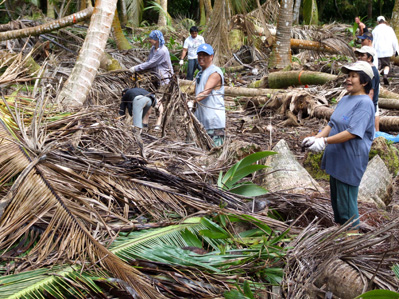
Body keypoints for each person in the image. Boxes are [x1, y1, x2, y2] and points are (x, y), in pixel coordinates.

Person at [302, 61, 375, 230]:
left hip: (350, 161)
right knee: (338, 205)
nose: (348, 79)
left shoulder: (364, 104)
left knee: (348, 207)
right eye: (348, 76)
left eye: (353, 76)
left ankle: (352, 243)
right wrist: (316, 138)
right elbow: (333, 124)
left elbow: (352, 132)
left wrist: (325, 142)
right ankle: (342, 236)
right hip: (337, 159)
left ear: (364, 82)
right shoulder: (345, 99)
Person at [129, 30, 174, 130]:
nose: (149, 40)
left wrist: (136, 68)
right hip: (154, 77)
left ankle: (158, 122)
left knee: (158, 100)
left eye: (151, 38)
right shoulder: (153, 49)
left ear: (157, 40)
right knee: (149, 98)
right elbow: (148, 61)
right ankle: (145, 121)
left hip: (164, 79)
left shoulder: (163, 51)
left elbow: (151, 63)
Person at [191, 43, 225, 146]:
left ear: (211, 57)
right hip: (201, 120)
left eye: (205, 55)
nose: (201, 57)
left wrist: (191, 101)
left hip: (213, 121)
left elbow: (205, 92)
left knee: (214, 153)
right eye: (199, 54)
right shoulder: (199, 73)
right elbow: (196, 92)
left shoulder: (215, 72)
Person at [355, 46, 380, 131]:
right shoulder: (369, 69)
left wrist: (365, 109)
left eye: (362, 55)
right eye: (359, 55)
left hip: (368, 108)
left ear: (369, 58)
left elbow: (371, 92)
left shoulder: (371, 71)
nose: (359, 57)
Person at [372, 16, 399, 85]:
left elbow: (373, 41)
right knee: (386, 65)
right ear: (384, 21)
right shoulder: (389, 29)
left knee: (378, 66)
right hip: (387, 50)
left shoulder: (375, 30)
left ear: (377, 22)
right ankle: (385, 75)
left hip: (377, 51)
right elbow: (394, 40)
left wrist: (371, 50)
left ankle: (377, 79)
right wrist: (396, 50)